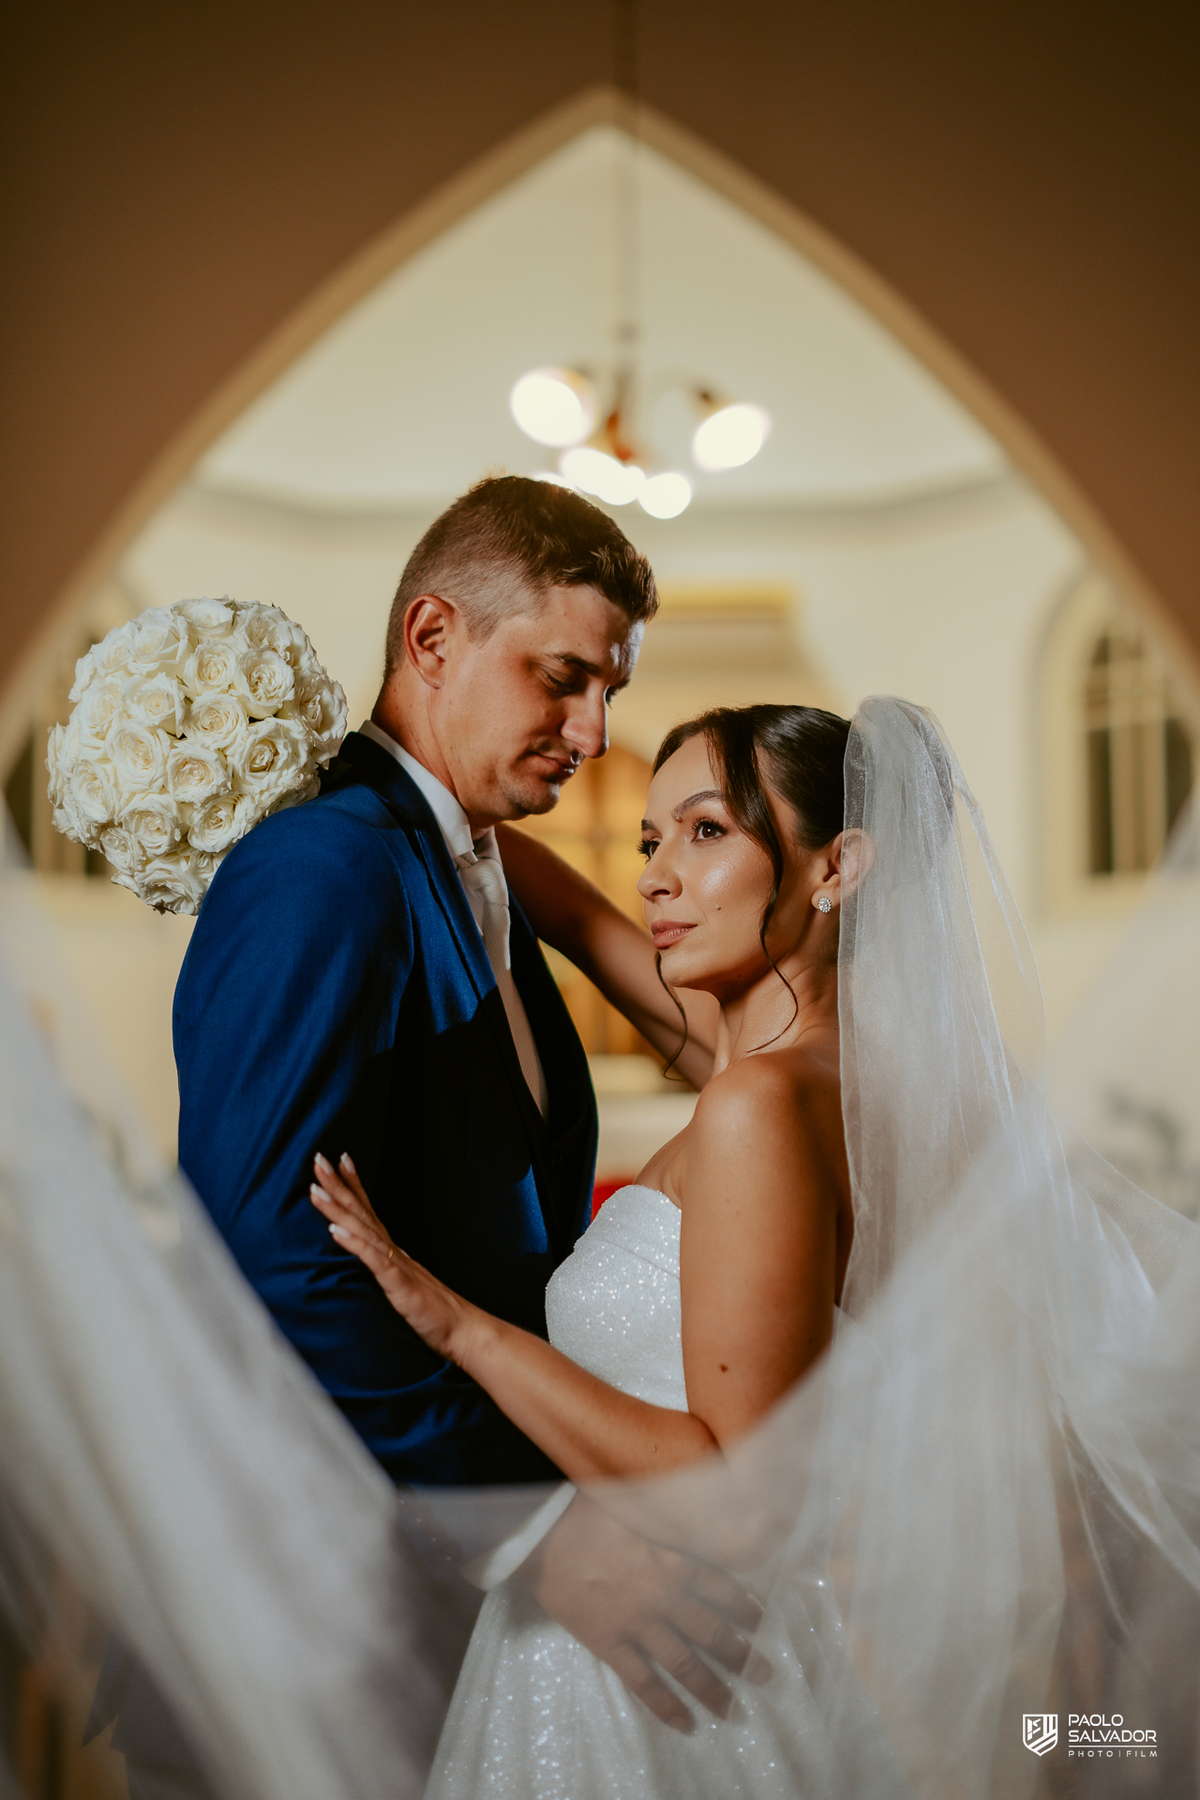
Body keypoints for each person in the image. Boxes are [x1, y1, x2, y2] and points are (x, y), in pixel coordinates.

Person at [94, 477, 772, 1796]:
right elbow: (276, 1254)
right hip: (314, 1594)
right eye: (563, 678)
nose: (592, 729)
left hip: (428, 1591)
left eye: (611, 691)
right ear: (431, 638)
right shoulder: (325, 867)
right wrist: (538, 1535)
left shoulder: (465, 860)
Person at [310, 702, 891, 1796]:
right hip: (710, 1648)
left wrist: (457, 1325)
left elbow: (737, 1493)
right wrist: (394, 780)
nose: (657, 876)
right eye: (649, 838)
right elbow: (569, 908)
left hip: (671, 1670)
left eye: (708, 831)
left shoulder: (757, 1104)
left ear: (837, 867)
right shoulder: (810, 1077)